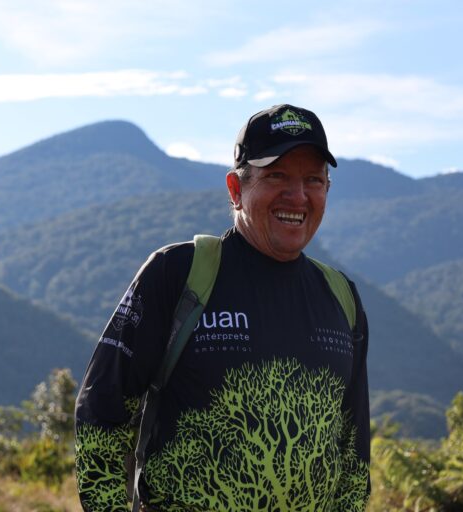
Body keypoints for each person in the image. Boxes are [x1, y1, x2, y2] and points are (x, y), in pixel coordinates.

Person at [75, 104, 370, 511]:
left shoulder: (341, 297)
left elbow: (354, 457)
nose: (297, 195)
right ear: (236, 189)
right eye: (277, 175)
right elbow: (101, 414)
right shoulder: (177, 275)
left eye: (313, 180)